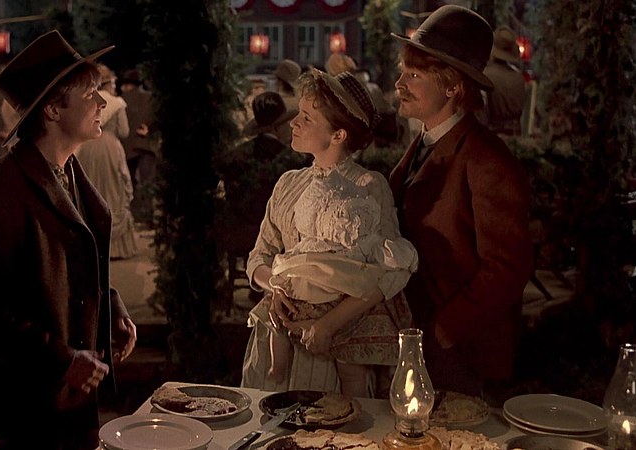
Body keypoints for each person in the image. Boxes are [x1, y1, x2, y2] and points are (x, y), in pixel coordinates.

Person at [0, 30, 137, 449]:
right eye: (90, 93)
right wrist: (61, 360)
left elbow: (70, 262)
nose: (102, 102)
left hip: (73, 397)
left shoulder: (69, 170)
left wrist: (110, 307)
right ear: (53, 109)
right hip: (29, 403)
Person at [242, 69, 418, 398]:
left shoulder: (366, 186)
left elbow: (387, 273)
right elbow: (259, 256)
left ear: (338, 134)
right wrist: (276, 283)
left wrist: (327, 325)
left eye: (306, 118)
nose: (294, 123)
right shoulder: (289, 183)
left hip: (332, 345)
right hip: (279, 332)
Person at [387, 5, 534, 398]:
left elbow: (506, 269)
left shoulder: (487, 160)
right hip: (420, 341)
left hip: (460, 354)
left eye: (414, 75)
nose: (399, 84)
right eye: (403, 72)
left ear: (452, 87)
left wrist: (443, 330)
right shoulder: (424, 143)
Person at [214, 91, 309, 300]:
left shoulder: (235, 155)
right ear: (276, 127)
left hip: (238, 232)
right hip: (275, 237)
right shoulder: (291, 160)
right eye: (286, 123)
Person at [74, 64, 139, 260]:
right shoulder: (116, 103)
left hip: (88, 146)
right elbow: (124, 131)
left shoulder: (87, 100)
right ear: (109, 82)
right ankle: (116, 247)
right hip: (110, 147)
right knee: (115, 188)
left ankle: (94, 244)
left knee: (92, 187)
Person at [118, 68, 156, 225]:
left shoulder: (121, 100)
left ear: (127, 84)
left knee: (131, 183)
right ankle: (148, 216)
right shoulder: (151, 98)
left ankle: (135, 216)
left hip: (127, 148)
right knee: (147, 182)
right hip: (146, 147)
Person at [482, 26, 527, 136]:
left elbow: (482, 113)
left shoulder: (485, 76)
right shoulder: (519, 78)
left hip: (492, 136)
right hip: (516, 135)